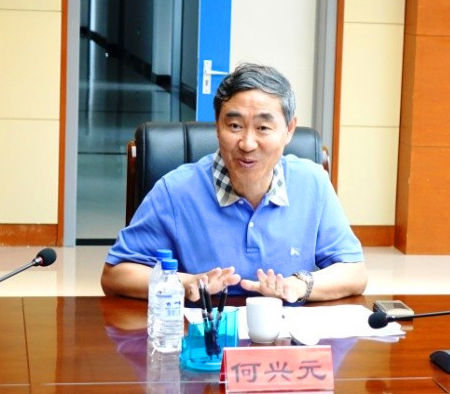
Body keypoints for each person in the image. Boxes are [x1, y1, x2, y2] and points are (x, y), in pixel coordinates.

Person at [101, 63, 367, 303]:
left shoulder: (313, 183)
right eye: (235, 126)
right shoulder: (175, 190)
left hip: (286, 338)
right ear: (217, 127)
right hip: (205, 335)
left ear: (289, 130)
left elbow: (354, 272)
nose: (247, 144)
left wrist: (298, 286)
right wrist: (186, 283)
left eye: (263, 128)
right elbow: (116, 274)